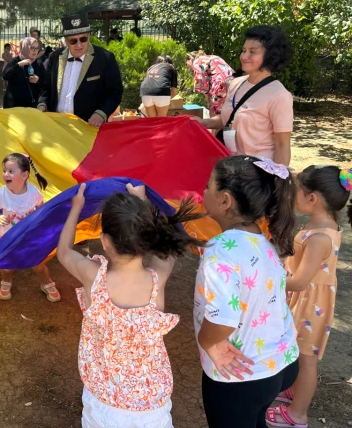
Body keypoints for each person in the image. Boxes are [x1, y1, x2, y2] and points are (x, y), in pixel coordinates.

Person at [57, 182, 200, 427]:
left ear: (105, 241)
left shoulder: (93, 276)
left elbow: (64, 252)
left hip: (106, 404)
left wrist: (76, 208)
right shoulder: (158, 277)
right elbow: (165, 245)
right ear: (148, 238)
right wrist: (144, 203)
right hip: (153, 405)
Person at [195, 155, 299, 428]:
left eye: (208, 186)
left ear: (225, 200)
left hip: (240, 375)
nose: (203, 191)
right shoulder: (262, 241)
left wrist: (208, 343)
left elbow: (222, 319)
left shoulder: (220, 250)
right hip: (279, 362)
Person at [265, 166, 352, 428]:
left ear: (312, 198)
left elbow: (301, 281)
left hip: (309, 304)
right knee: (297, 353)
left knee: (306, 359)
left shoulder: (320, 237)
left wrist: (269, 279)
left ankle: (297, 414)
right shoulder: (321, 223)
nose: (292, 197)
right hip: (304, 300)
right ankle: (295, 389)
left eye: (296, 192)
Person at [198, 26, 294, 165]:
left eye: (252, 52)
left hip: (256, 172)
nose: (244, 57)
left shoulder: (279, 95)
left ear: (270, 56)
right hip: (229, 165)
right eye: (243, 50)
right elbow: (228, 118)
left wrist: (278, 176)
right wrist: (203, 123)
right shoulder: (236, 83)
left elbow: (282, 144)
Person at [0, 153, 59, 302]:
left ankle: (47, 283)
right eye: (4, 170)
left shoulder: (33, 192)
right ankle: (6, 282)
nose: (6, 174)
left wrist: (41, 222)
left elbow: (41, 209)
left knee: (38, 265)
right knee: (7, 267)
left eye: (11, 171)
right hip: (9, 239)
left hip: (29, 238)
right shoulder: (2, 193)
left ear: (24, 175)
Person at [38, 13, 123, 128]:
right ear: (66, 41)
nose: (79, 45)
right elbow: (46, 88)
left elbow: (115, 92)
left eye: (83, 39)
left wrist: (101, 113)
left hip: (88, 126)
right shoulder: (55, 57)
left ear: (89, 36)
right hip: (57, 126)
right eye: (73, 41)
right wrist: (42, 104)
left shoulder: (105, 58)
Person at [187, 50, 234, 116]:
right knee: (230, 110)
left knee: (216, 114)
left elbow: (202, 84)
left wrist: (208, 102)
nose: (188, 68)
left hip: (219, 84)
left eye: (187, 65)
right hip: (233, 82)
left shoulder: (196, 62)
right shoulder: (213, 57)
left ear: (190, 59)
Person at [2, 37, 46, 109]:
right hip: (13, 105)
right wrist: (18, 65)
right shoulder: (15, 61)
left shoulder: (38, 63)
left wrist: (38, 80)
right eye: (32, 48)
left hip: (31, 106)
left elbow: (45, 83)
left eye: (36, 48)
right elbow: (5, 76)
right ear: (25, 48)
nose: (35, 51)